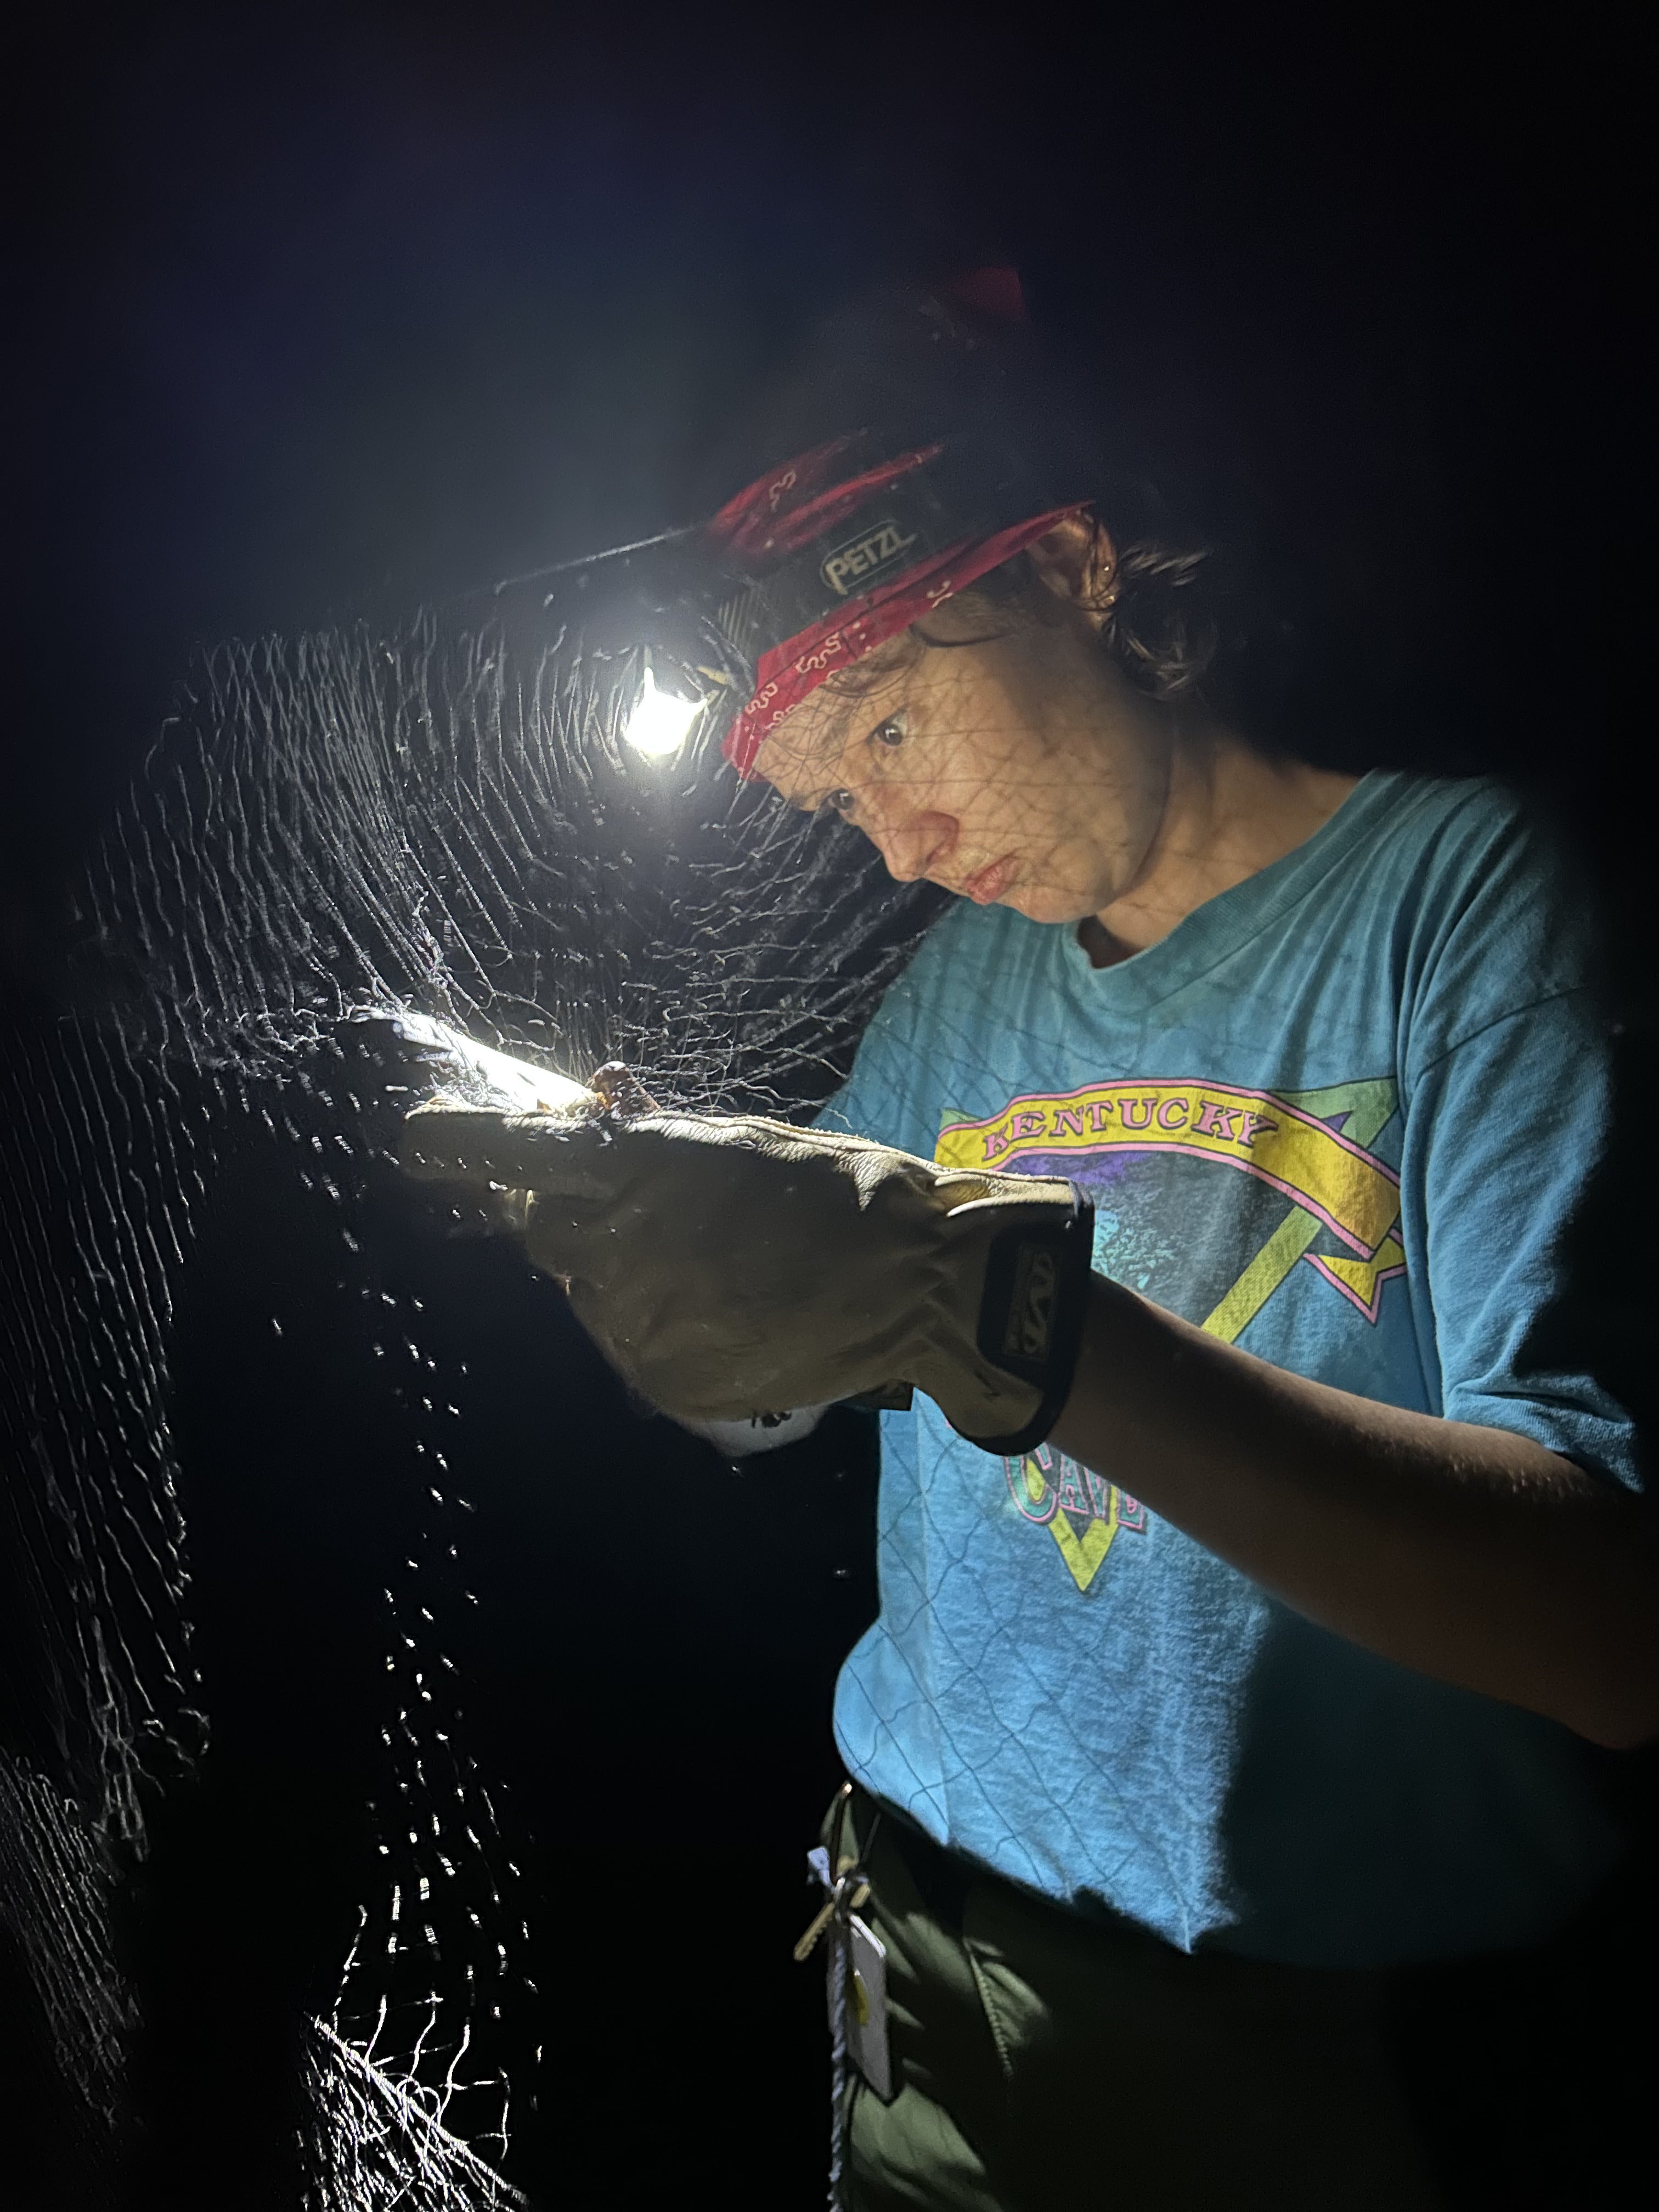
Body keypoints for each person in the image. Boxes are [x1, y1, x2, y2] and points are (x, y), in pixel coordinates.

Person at [403, 284, 1654, 2209]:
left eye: (895, 722)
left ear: (1077, 569)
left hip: (1292, 2059)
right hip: (910, 1964)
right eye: (840, 797)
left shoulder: (1463, 905)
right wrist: (636, 1245)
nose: (898, 844)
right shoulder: (958, 988)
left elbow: (1609, 1627)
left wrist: (998, 1310)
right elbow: (783, 1393)